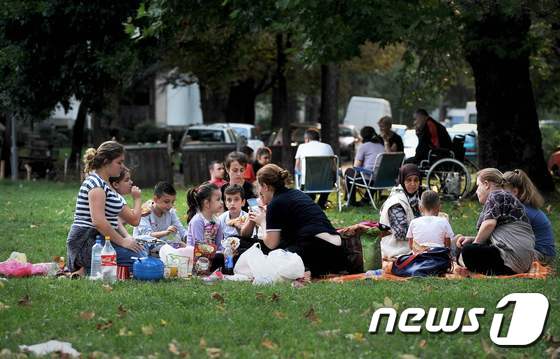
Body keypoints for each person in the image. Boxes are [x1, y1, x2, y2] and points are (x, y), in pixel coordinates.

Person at [248, 164, 347, 277]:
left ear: (265, 186)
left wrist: (262, 221)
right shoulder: (296, 193)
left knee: (272, 254)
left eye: (259, 187)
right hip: (338, 251)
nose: (259, 191)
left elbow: (271, 243)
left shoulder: (276, 203)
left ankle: (310, 271)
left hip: (321, 250)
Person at [66, 141, 144, 276]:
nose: (122, 167)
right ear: (106, 162)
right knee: (139, 260)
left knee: (142, 253)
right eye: (119, 162)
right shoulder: (96, 185)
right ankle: (86, 269)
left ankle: (88, 269)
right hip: (87, 243)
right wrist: (123, 241)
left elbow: (133, 220)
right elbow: (99, 222)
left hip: (102, 240)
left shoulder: (106, 185)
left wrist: (126, 238)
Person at [455, 168, 535, 275]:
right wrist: (471, 239)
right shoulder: (506, 197)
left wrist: (475, 244)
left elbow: (489, 225)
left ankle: (460, 261)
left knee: (467, 251)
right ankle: (462, 260)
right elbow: (501, 235)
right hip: (521, 261)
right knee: (467, 248)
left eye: (478, 186)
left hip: (510, 260)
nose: (476, 191)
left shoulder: (496, 195)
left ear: (486, 184)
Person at [503, 169, 555, 264]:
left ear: (514, 192)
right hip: (540, 252)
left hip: (541, 255)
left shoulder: (521, 211)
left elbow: (507, 238)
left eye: (503, 192)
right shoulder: (524, 206)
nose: (498, 196)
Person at [379, 164, 422, 258]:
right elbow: (401, 233)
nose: (413, 184)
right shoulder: (396, 202)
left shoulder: (415, 199)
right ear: (402, 181)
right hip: (396, 252)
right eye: (409, 180)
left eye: (416, 180)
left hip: (411, 248)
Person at [344, 126, 385, 206]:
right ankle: (366, 199)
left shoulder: (363, 146)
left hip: (368, 179)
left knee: (348, 172)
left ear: (362, 135)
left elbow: (356, 167)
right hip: (380, 179)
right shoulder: (381, 146)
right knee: (372, 173)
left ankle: (351, 201)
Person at [294, 128, 334, 209]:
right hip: (326, 183)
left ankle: (310, 200)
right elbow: (333, 168)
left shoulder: (302, 147)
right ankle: (321, 202)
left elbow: (296, 167)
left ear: (307, 139)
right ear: (319, 139)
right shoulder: (328, 147)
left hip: (308, 183)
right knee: (332, 176)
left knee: (302, 177)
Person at [186, 182, 224, 250]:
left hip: (211, 255)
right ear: (206, 203)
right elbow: (199, 247)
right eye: (218, 199)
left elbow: (219, 244)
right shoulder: (198, 221)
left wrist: (223, 253)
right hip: (196, 256)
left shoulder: (217, 221)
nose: (222, 202)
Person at [108, 166, 140, 240]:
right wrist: (137, 198)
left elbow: (116, 221)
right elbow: (135, 221)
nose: (131, 182)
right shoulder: (115, 198)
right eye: (127, 180)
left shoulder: (115, 196)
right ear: (116, 184)